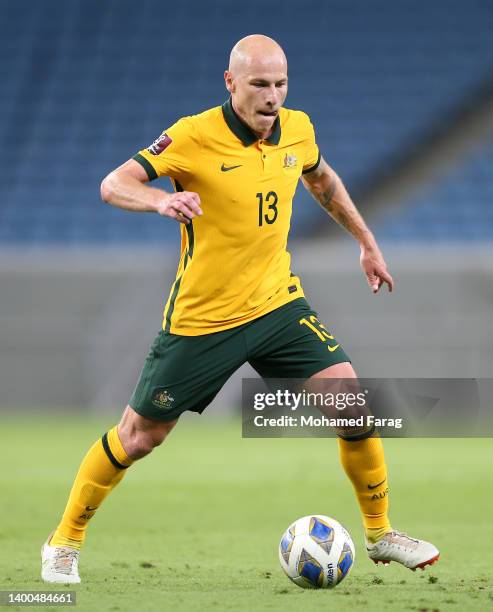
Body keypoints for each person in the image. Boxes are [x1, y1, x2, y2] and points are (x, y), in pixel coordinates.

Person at [41, 34, 439, 584]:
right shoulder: (191, 135)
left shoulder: (298, 129)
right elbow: (114, 183)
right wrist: (162, 199)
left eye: (279, 84)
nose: (271, 96)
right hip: (203, 321)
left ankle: (379, 533)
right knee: (139, 437)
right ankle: (64, 540)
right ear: (230, 84)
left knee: (353, 407)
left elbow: (321, 179)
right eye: (258, 85)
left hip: (277, 306)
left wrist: (366, 242)